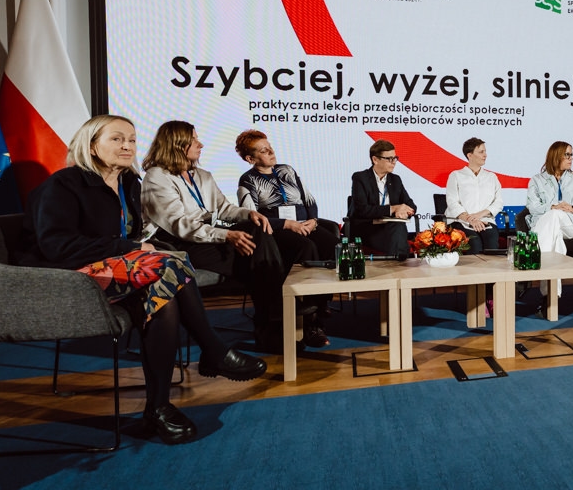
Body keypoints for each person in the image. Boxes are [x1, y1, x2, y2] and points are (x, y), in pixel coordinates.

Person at [18, 115, 267, 446]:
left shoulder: (129, 183)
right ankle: (212, 350)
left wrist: (138, 248)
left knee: (163, 297)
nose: (127, 146)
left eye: (132, 140)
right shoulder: (63, 185)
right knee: (168, 265)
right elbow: (57, 246)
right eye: (117, 139)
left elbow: (136, 235)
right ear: (91, 145)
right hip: (69, 277)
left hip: (118, 269)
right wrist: (131, 248)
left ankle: (158, 407)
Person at [141, 121, 329, 351]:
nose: (201, 144)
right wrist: (226, 235)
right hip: (182, 243)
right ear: (178, 145)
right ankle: (280, 323)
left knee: (259, 237)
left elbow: (224, 209)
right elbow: (180, 225)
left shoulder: (202, 175)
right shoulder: (157, 177)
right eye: (194, 140)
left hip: (210, 235)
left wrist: (249, 214)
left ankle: (277, 325)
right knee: (259, 258)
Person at [235, 129, 340, 313]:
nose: (270, 152)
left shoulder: (287, 170)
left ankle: (322, 301)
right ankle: (308, 307)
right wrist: (288, 224)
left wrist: (313, 220)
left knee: (332, 244)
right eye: (262, 150)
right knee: (306, 247)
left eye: (270, 147)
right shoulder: (248, 180)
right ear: (250, 159)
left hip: (304, 223)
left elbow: (309, 200)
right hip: (276, 229)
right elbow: (252, 215)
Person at [526, 141, 573, 296]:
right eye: (567, 155)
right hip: (546, 223)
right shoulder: (537, 180)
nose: (571, 158)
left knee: (556, 216)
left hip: (570, 224)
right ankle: (550, 296)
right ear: (556, 156)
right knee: (554, 236)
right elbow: (532, 206)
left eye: (572, 155)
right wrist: (552, 207)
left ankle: (530, 268)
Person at [349, 139, 417, 258]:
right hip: (367, 229)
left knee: (398, 227)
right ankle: (402, 264)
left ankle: (399, 263)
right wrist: (392, 209)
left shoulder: (395, 179)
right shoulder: (360, 178)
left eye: (395, 158)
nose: (394, 162)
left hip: (390, 227)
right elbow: (362, 209)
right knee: (397, 232)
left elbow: (411, 205)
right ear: (375, 159)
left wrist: (405, 211)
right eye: (389, 159)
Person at [445, 137, 504, 254]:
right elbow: (452, 201)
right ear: (469, 155)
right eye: (481, 152)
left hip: (485, 220)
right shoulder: (456, 175)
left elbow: (498, 202)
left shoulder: (491, 177)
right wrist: (470, 219)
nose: (485, 155)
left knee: (491, 242)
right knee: (474, 242)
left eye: (485, 151)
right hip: (461, 221)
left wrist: (479, 215)